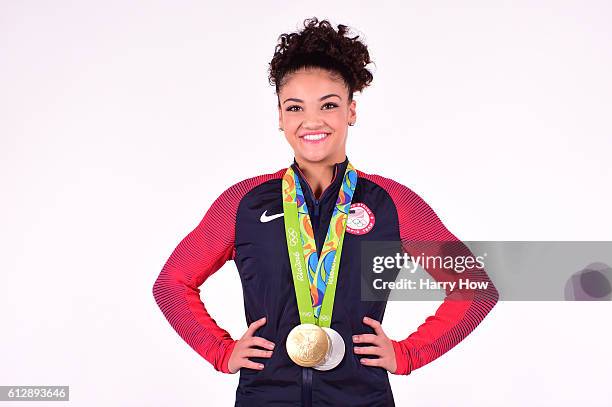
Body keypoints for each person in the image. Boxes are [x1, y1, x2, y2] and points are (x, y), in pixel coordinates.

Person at [153, 17, 499, 407]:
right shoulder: (244, 203)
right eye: (295, 107)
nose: (312, 121)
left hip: (361, 398)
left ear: (351, 110)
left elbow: (475, 287)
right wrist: (221, 351)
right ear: (280, 117)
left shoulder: (393, 203)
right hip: (265, 398)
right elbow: (172, 284)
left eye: (329, 105)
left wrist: (407, 354)